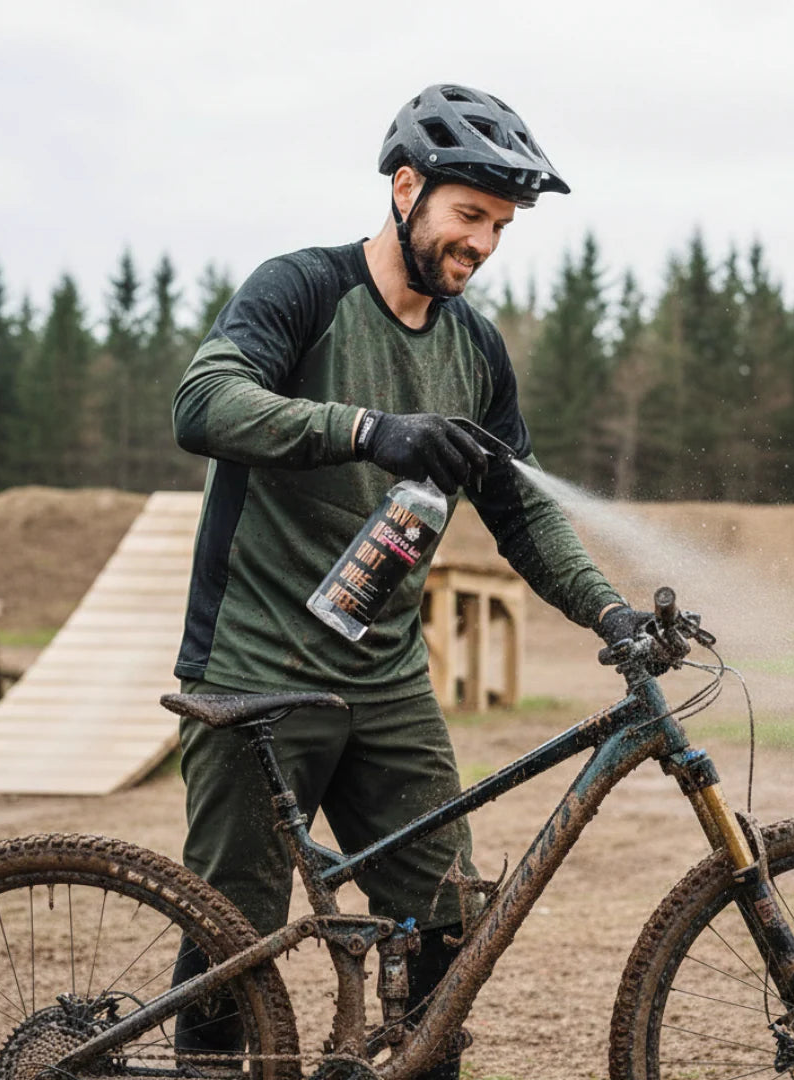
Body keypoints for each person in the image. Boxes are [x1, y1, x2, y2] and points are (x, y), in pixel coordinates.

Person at [170, 83, 654, 1079]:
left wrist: (605, 609)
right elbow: (205, 402)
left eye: (501, 226)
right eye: (469, 215)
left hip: (385, 681)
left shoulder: (475, 348)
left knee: (444, 926)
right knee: (232, 939)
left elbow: (520, 508)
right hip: (255, 667)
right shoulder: (300, 289)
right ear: (405, 187)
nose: (482, 243)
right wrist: (369, 429)